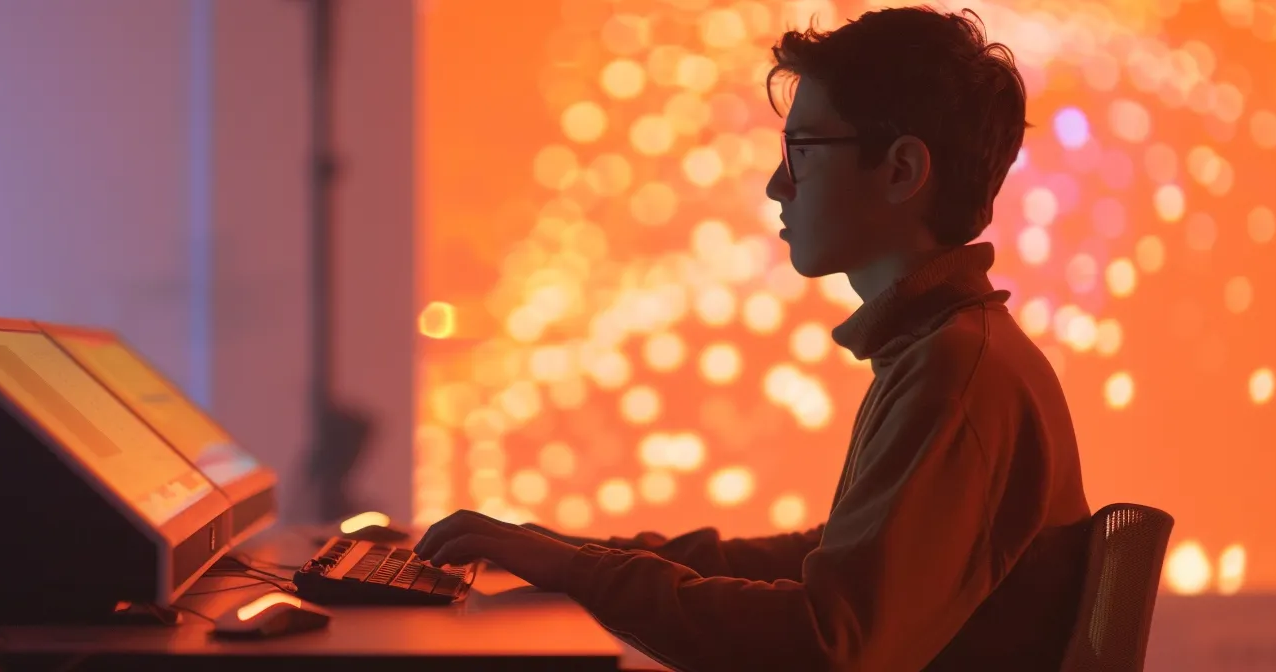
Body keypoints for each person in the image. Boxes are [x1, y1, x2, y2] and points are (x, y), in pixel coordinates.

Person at [414, 6, 1092, 670]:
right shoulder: (953, 351)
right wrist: (568, 554)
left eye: (802, 152)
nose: (776, 185)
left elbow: (828, 645)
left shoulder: (958, 373)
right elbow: (820, 561)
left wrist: (583, 570)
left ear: (901, 171)